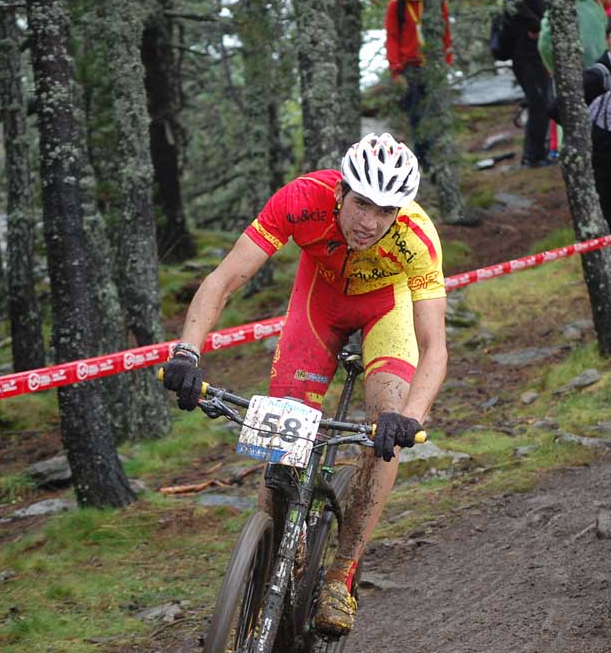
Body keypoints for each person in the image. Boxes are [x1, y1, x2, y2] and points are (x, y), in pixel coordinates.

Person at [162, 133, 448, 636]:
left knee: (387, 427)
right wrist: (187, 351)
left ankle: (342, 573)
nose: (369, 222)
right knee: (284, 437)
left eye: (385, 210)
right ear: (340, 191)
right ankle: (269, 562)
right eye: (361, 203)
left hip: (386, 310)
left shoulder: (417, 239)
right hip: (318, 303)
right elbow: (225, 278)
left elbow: (434, 347)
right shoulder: (301, 199)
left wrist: (411, 419)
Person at [385, 0, 454, 162]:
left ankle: (439, 158)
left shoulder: (435, 2)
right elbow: (392, 37)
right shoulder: (397, 5)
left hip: (433, 66)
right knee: (416, 116)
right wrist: (396, 70)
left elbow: (445, 31)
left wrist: (446, 60)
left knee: (436, 111)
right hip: (410, 68)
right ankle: (423, 162)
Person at [500, 0, 554, 168]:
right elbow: (520, 13)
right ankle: (533, 156)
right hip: (527, 58)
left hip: (536, 57)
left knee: (541, 105)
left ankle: (536, 153)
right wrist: (538, 26)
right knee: (538, 104)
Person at [538, 0, 611, 74]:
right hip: (599, 71)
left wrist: (553, 67)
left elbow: (544, 45)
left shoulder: (556, 10)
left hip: (571, 72)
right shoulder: (594, 6)